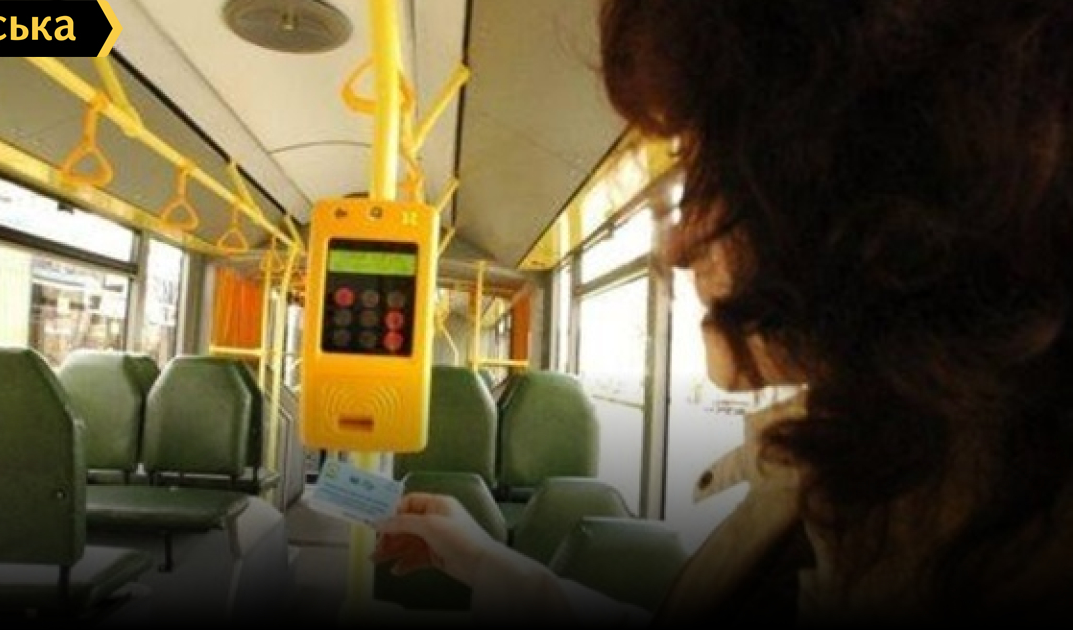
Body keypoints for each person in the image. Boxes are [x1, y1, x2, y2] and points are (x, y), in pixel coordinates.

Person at [374, 0, 1073, 625]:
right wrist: (482, 561)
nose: (679, 244)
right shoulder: (873, 462)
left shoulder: (965, 541)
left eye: (711, 170)